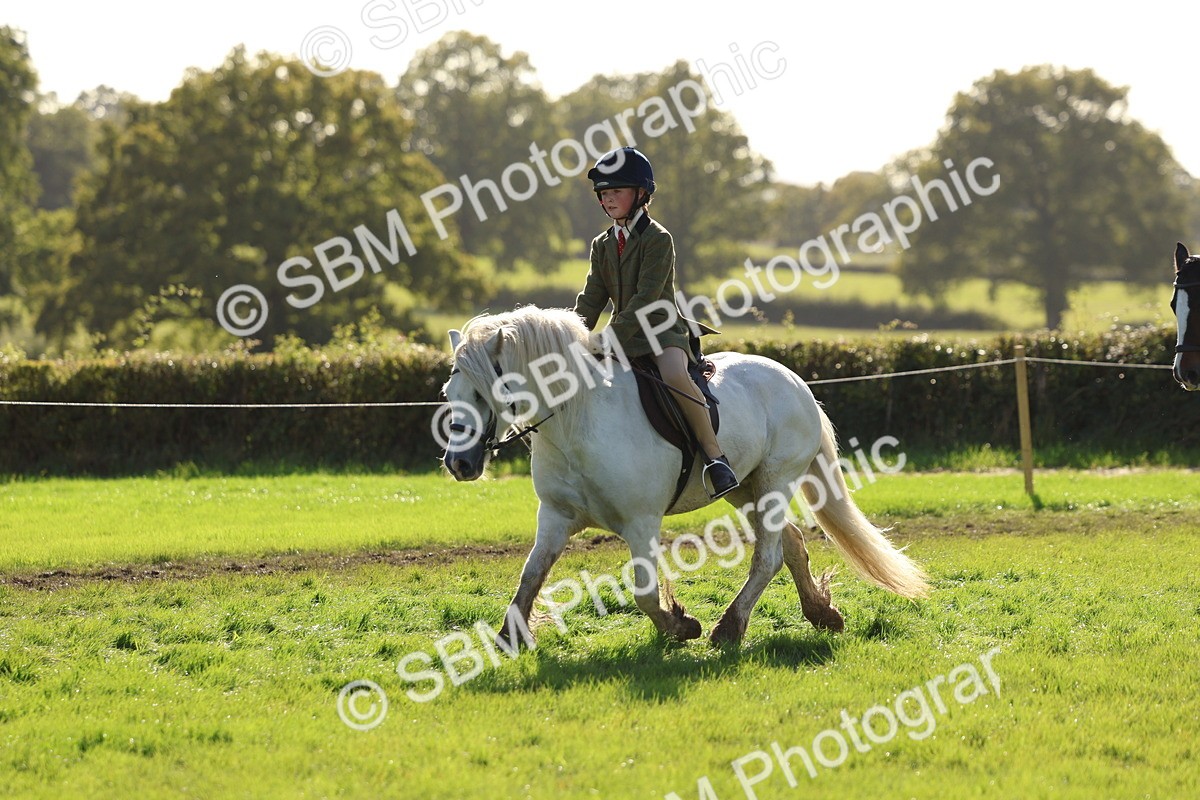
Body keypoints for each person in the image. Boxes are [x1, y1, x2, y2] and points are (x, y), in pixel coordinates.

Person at [572, 146, 739, 499]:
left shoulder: (658, 239)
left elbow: (645, 301)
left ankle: (715, 459)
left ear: (641, 194)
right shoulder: (601, 244)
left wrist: (607, 339)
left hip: (661, 333)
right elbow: (591, 299)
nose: (609, 198)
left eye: (617, 191)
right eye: (604, 193)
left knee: (675, 376)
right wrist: (572, 334)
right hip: (623, 335)